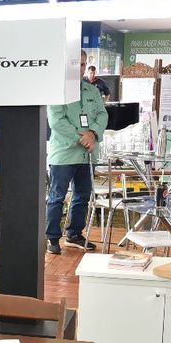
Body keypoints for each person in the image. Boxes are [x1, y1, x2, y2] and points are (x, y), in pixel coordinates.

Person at [46, 50, 108, 253]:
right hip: (64, 154)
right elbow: (56, 121)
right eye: (76, 64)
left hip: (87, 154)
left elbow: (103, 114)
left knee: (82, 196)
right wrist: (81, 137)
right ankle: (52, 238)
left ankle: (74, 234)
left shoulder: (92, 90)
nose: (80, 68)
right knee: (57, 197)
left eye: (83, 64)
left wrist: (93, 133)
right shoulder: (57, 90)